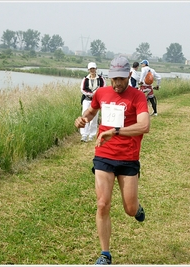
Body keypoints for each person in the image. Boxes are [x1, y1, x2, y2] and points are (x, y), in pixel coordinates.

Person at [74, 56, 150, 265]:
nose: (117, 83)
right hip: (104, 155)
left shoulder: (137, 97)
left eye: (122, 79)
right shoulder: (101, 92)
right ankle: (105, 254)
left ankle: (137, 208)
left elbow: (144, 126)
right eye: (114, 79)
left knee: (129, 209)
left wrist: (116, 132)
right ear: (109, 76)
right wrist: (82, 119)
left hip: (128, 158)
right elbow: (90, 112)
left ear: (128, 77)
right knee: (102, 203)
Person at [80, 62, 106, 142]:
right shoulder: (85, 79)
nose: (92, 70)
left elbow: (103, 88)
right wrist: (90, 94)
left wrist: (96, 94)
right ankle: (84, 135)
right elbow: (82, 89)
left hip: (96, 100)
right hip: (87, 99)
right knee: (85, 115)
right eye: (91, 69)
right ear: (88, 70)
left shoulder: (101, 79)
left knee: (94, 117)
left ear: (96, 69)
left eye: (93, 68)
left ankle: (91, 135)